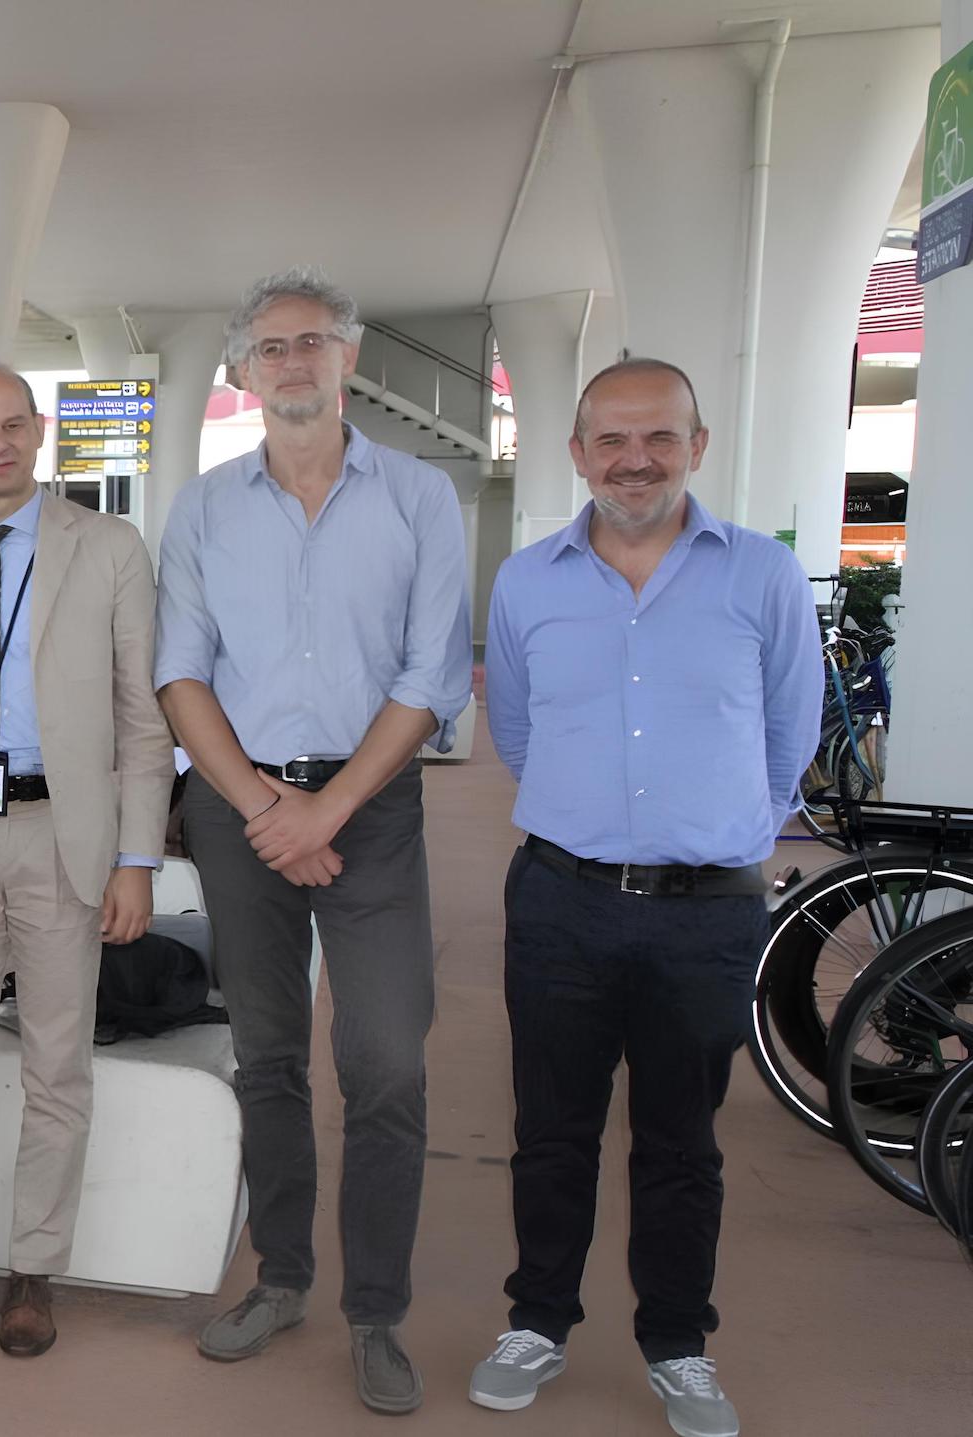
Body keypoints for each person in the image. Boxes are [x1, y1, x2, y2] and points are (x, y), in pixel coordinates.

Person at [469, 360, 820, 1437]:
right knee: (550, 1132)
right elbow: (517, 732)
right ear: (575, 455)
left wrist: (720, 839)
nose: (633, 459)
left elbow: (787, 739)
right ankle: (536, 1320)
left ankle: (676, 1342)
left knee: (680, 1142)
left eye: (657, 438)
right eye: (609, 440)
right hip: (560, 901)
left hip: (703, 914)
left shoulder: (761, 576)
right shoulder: (527, 580)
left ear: (696, 446)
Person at [155, 265, 472, 1415]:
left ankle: (374, 1312)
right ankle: (281, 1276)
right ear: (243, 372)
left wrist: (324, 810)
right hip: (240, 812)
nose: (291, 362)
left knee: (385, 1060)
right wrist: (259, 809)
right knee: (268, 1057)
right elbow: (178, 673)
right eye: (271, 347)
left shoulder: (419, 498)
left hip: (368, 808)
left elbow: (430, 676)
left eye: (312, 342)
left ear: (349, 360)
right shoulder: (200, 507)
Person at [0, 360, 175, 1358]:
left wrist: (136, 858)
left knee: (58, 1064)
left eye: (12, 424)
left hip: (64, 833)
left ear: (38, 430)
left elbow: (143, 721)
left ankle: (32, 1272)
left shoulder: (105, 547)